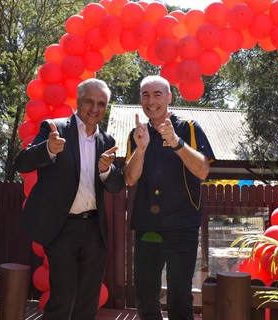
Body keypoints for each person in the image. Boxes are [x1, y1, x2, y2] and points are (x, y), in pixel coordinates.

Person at [15, 78, 125, 320]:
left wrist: (107, 170)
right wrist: (48, 149)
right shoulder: (54, 128)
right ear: (78, 101)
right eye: (89, 102)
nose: (95, 109)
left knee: (88, 302)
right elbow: (22, 162)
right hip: (63, 228)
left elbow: (117, 186)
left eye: (101, 104)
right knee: (62, 300)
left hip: (95, 230)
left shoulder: (107, 141)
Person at [124, 75, 215, 320]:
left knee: (178, 297)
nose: (151, 101)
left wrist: (175, 142)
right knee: (145, 298)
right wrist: (141, 149)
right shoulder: (137, 134)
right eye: (145, 95)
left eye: (157, 94)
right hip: (147, 226)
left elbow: (203, 171)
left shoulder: (189, 128)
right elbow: (130, 178)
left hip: (182, 226)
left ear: (169, 98)